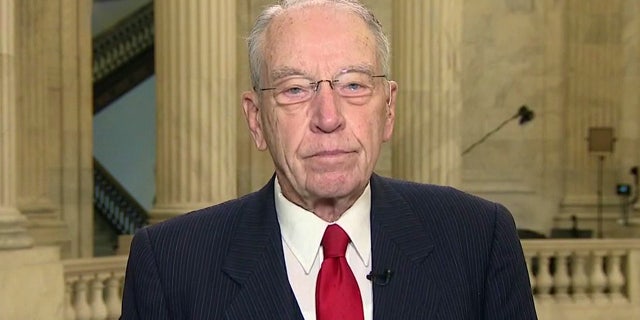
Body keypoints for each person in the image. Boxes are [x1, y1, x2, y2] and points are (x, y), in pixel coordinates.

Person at [120, 0, 538, 319]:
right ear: (256, 120)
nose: (328, 118)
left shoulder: (479, 240)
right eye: (295, 89)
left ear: (388, 109)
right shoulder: (169, 266)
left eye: (353, 85)